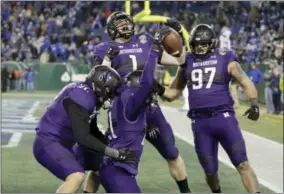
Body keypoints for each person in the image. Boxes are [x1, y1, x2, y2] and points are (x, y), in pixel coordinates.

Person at [155, 24, 261, 193]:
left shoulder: (225, 57)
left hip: (224, 118)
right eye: (197, 44)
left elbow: (244, 80)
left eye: (204, 44)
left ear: (212, 43)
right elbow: (173, 93)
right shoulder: (187, 61)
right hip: (200, 123)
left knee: (242, 162)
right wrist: (156, 87)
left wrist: (254, 102)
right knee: (210, 172)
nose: (200, 47)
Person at [92, 12, 190, 193]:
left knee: (172, 153)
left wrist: (179, 35)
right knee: (108, 158)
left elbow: (180, 59)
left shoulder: (145, 40)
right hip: (124, 111)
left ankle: (186, 191)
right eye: (120, 23)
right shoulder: (104, 48)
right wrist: (106, 60)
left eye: (126, 22)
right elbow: (99, 78)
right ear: (111, 28)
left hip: (150, 107)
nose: (125, 26)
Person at [33, 65, 136, 193]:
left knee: (102, 164)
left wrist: (113, 147)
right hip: (48, 142)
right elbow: (82, 137)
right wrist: (114, 153)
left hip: (65, 144)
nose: (109, 97)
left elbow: (92, 130)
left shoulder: (88, 95)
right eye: (109, 91)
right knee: (76, 176)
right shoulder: (81, 95)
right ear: (99, 86)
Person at [99, 39, 163, 193]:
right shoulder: (130, 101)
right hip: (119, 171)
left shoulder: (122, 101)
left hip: (114, 168)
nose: (151, 96)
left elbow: (127, 125)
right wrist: (153, 51)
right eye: (148, 94)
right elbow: (146, 84)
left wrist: (147, 125)